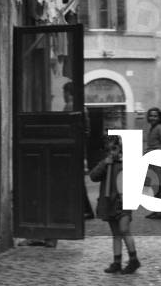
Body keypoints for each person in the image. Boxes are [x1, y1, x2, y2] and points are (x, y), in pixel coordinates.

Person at [89, 136, 141, 275]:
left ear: (121, 149)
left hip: (123, 203)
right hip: (109, 203)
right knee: (116, 234)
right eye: (109, 149)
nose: (112, 152)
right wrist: (105, 164)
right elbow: (93, 176)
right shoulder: (106, 164)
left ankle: (134, 260)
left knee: (124, 230)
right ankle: (116, 262)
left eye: (115, 148)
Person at [63, 82, 94, 220]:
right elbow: (87, 132)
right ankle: (85, 210)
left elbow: (65, 129)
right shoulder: (83, 108)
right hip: (80, 149)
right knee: (78, 180)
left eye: (64, 92)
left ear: (68, 93)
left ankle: (82, 210)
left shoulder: (70, 106)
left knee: (74, 181)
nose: (63, 96)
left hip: (72, 149)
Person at [143, 106, 161, 220]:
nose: (153, 118)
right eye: (151, 115)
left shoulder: (160, 128)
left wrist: (156, 150)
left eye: (155, 116)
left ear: (159, 117)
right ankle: (156, 210)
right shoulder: (151, 128)